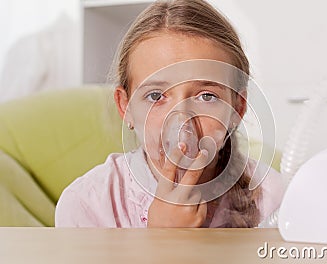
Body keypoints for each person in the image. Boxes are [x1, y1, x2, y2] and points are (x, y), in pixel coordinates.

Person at [55, 0, 284, 228]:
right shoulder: (88, 204)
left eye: (206, 96)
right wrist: (162, 243)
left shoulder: (272, 197)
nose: (182, 121)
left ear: (237, 109)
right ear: (126, 107)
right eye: (156, 96)